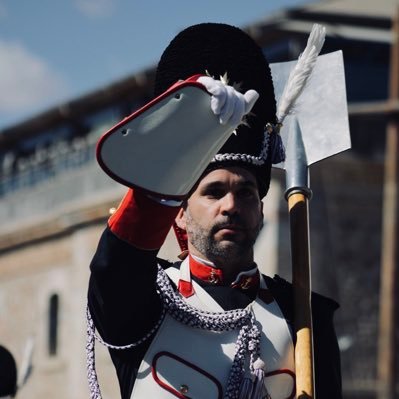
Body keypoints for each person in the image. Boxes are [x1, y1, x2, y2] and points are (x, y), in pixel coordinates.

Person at [87, 23, 342, 399]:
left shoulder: (305, 316)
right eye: (213, 191)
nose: (231, 205)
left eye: (245, 192)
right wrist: (180, 140)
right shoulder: (143, 302)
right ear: (179, 210)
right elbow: (116, 266)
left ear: (260, 209)